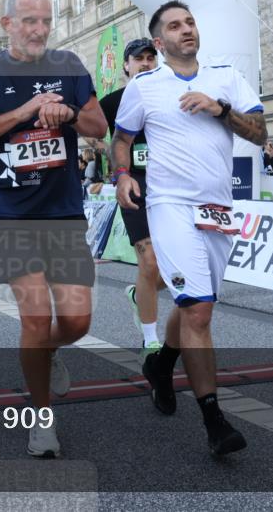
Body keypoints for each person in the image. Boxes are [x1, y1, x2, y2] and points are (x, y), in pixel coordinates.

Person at [0, 0, 108, 458]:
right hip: (6, 214)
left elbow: (99, 128)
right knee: (36, 319)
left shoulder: (70, 67)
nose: (39, 30)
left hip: (61, 213)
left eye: (45, 20)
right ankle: (42, 420)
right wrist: (24, 112)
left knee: (77, 322)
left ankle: (50, 353)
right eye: (28, 21)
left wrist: (68, 115)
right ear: (7, 25)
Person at [112, 0, 266, 456]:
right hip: (170, 205)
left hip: (217, 207)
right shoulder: (144, 87)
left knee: (194, 302)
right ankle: (215, 421)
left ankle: (162, 365)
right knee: (199, 310)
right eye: (175, 26)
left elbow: (259, 133)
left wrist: (220, 110)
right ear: (160, 43)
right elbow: (121, 139)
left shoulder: (226, 78)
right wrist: (122, 176)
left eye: (191, 22)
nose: (187, 30)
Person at [98, 38, 174, 357]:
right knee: (150, 261)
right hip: (134, 185)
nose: (145, 63)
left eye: (150, 58)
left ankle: (138, 294)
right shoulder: (113, 101)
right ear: (126, 66)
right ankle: (150, 338)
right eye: (138, 59)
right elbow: (90, 131)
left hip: (170, 187)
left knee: (175, 272)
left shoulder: (170, 96)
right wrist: (115, 161)